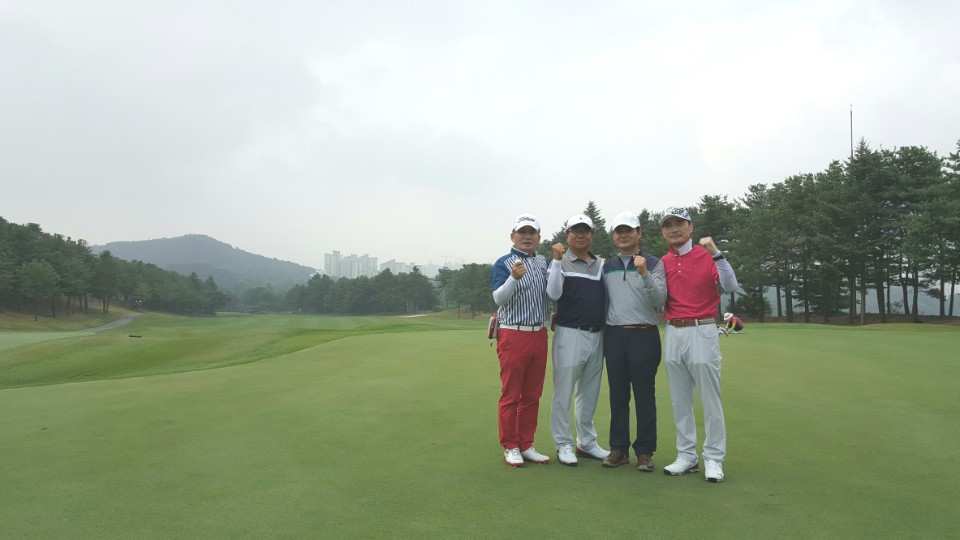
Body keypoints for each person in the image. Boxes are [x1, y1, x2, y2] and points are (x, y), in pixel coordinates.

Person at [659, 207, 739, 483]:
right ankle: (686, 455)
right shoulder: (663, 262)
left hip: (702, 329)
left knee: (709, 398)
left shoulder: (707, 255)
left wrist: (716, 253)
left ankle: (714, 458)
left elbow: (730, 286)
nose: (674, 229)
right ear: (663, 232)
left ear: (691, 227)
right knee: (679, 399)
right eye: (668, 225)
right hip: (673, 331)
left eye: (679, 223)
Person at [600, 211, 667, 472]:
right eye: (619, 231)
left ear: (639, 233)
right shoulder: (607, 266)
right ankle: (618, 449)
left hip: (644, 334)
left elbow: (658, 299)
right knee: (618, 395)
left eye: (629, 230)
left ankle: (645, 451)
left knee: (644, 395)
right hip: (615, 335)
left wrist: (644, 273)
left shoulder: (654, 263)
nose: (624, 235)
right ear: (614, 236)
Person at [546, 214, 610, 466]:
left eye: (585, 231)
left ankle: (586, 442)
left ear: (592, 235)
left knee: (589, 392)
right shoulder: (560, 262)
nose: (580, 235)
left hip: (598, 334)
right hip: (570, 333)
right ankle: (563, 443)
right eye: (575, 230)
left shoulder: (601, 264)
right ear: (567, 235)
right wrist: (556, 260)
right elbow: (553, 293)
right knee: (563, 391)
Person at [491, 213, 552, 467]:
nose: (527, 237)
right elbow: (498, 298)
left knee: (532, 395)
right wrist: (513, 278)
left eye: (531, 233)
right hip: (513, 333)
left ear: (539, 237)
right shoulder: (504, 263)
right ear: (512, 236)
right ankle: (510, 445)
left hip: (539, 333)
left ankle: (526, 444)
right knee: (511, 394)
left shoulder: (543, 262)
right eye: (522, 232)